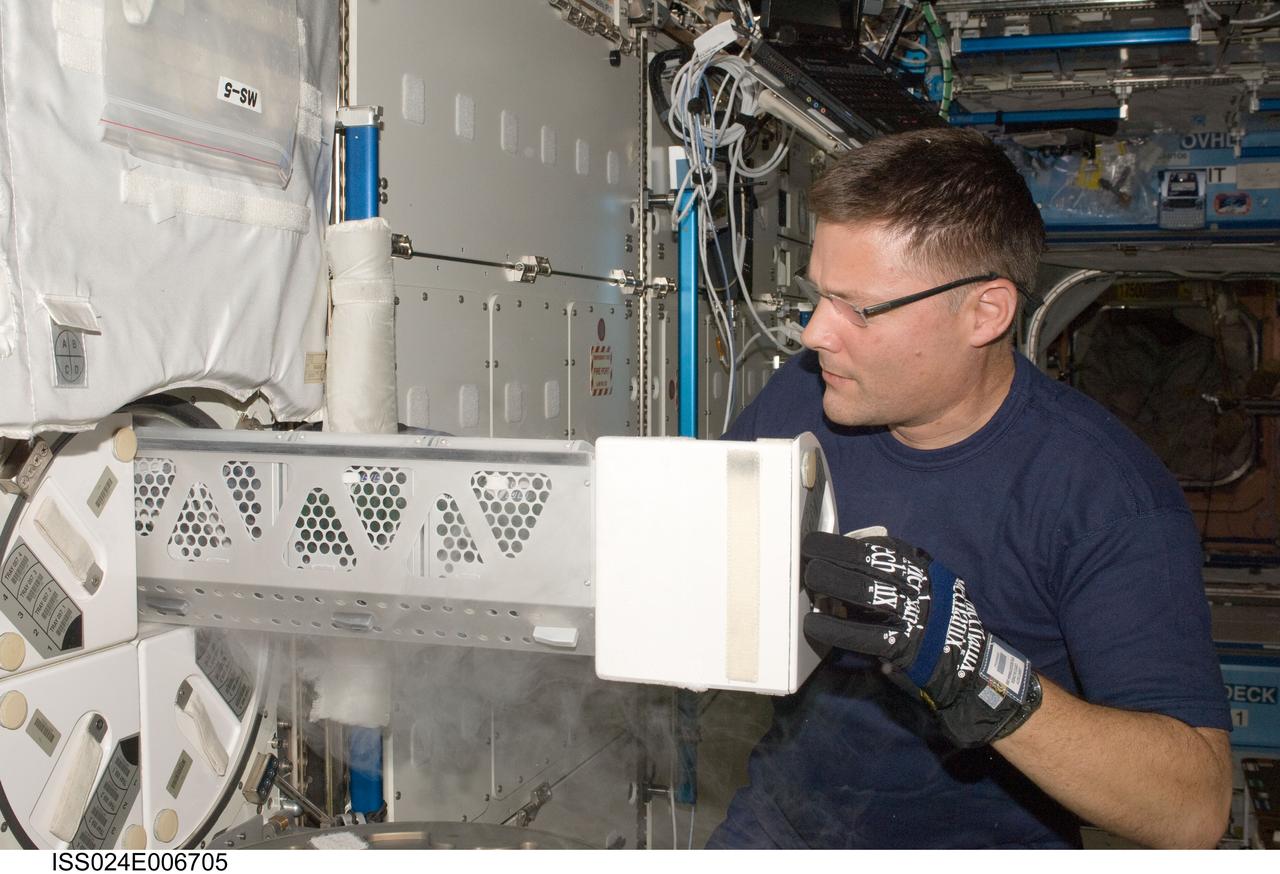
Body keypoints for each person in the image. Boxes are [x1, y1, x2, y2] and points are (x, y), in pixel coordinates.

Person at [706, 128, 1232, 849]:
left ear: (985, 312)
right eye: (817, 297)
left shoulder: (1104, 492)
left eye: (858, 309)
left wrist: (973, 670)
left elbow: (1194, 810)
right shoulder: (805, 397)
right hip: (782, 827)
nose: (814, 334)